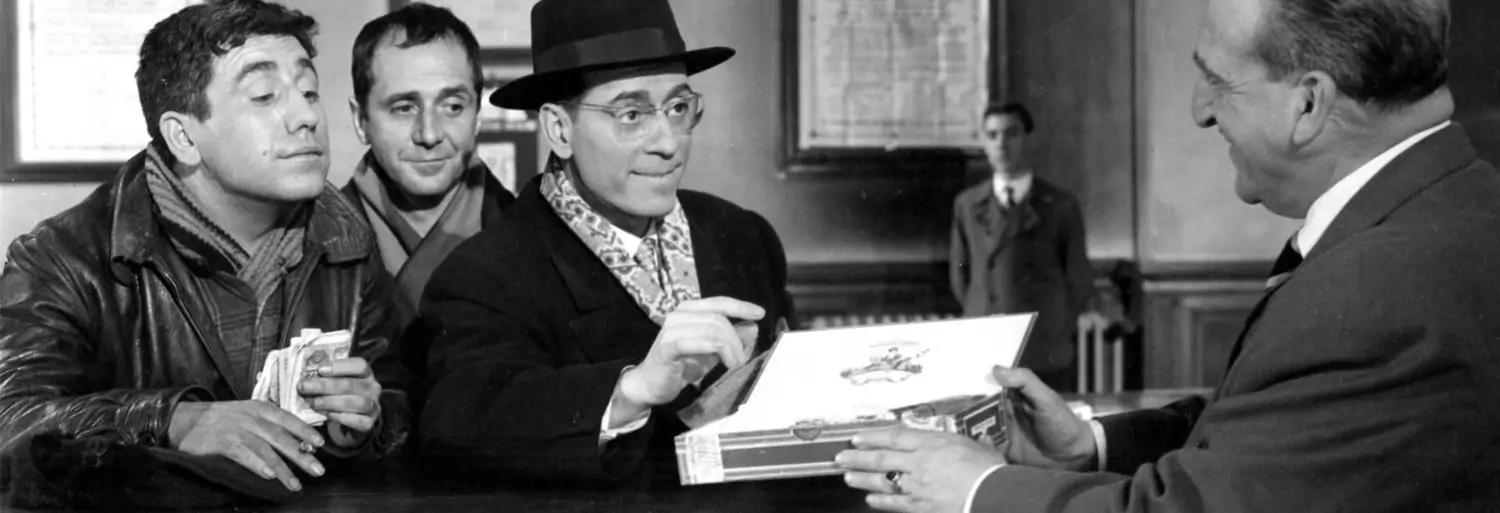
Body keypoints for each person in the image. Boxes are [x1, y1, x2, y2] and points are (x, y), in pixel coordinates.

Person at [836, 0, 1500, 511]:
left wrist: (977, 487)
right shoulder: (1445, 211)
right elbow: (1276, 431)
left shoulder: (1387, 287)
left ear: (1308, 103)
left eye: (1217, 81)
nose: (1199, 111)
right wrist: (1090, 445)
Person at [0, 0, 409, 508]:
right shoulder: (64, 259)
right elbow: (11, 419)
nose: (307, 117)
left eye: (308, 91)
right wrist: (172, 420)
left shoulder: (346, 240)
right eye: (264, 96)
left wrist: (363, 426)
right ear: (183, 136)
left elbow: (397, 400)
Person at [416, 0, 792, 488]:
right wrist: (631, 390)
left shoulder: (742, 234)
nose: (668, 143)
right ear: (559, 129)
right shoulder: (484, 275)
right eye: (631, 114)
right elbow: (458, 429)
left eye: (679, 108)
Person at [341, 2, 516, 336]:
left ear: (477, 115)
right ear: (361, 120)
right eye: (403, 108)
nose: (430, 134)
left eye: (453, 107)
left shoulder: (531, 236)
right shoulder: (310, 245)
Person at [949, 102, 1092, 392]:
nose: (1001, 144)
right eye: (992, 135)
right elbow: (960, 278)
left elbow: (1078, 280)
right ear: (984, 143)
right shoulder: (967, 204)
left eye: (1011, 133)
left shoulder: (1060, 205)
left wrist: (1054, 328)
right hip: (986, 345)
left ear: (1028, 138)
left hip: (1043, 349)